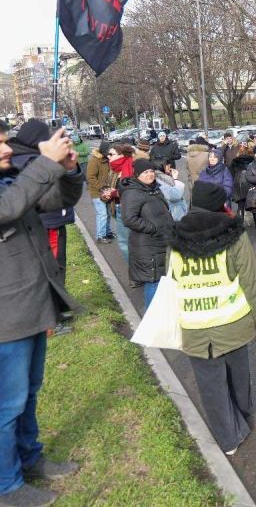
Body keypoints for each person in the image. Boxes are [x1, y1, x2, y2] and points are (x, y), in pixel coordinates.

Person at [0, 125, 83, 506]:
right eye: (0, 142)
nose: (7, 147)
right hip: (6, 320)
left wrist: (67, 170)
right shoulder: (12, 188)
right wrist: (43, 163)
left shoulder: (11, 180)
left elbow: (54, 202)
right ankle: (7, 485)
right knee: (6, 405)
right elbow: (9, 209)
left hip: (31, 306)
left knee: (28, 394)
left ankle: (30, 458)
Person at [170, 181, 256, 456]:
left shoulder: (176, 237)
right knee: (239, 375)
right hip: (232, 321)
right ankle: (244, 418)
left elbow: (173, 278)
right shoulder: (234, 235)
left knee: (211, 386)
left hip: (195, 325)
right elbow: (249, 280)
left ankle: (229, 438)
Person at [120, 159, 173, 310]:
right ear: (137, 175)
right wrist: (153, 228)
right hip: (147, 245)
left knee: (161, 281)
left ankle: (159, 317)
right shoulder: (132, 193)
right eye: (146, 172)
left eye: (152, 171)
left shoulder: (154, 189)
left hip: (161, 242)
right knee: (153, 281)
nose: (150, 175)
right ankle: (149, 320)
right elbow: (129, 219)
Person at [87, 141, 115, 243]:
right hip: (97, 192)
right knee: (102, 214)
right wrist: (101, 187)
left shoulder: (108, 159)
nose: (110, 154)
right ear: (104, 151)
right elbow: (90, 178)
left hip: (107, 190)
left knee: (107, 213)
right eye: (109, 152)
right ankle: (100, 236)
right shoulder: (94, 161)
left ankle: (107, 232)